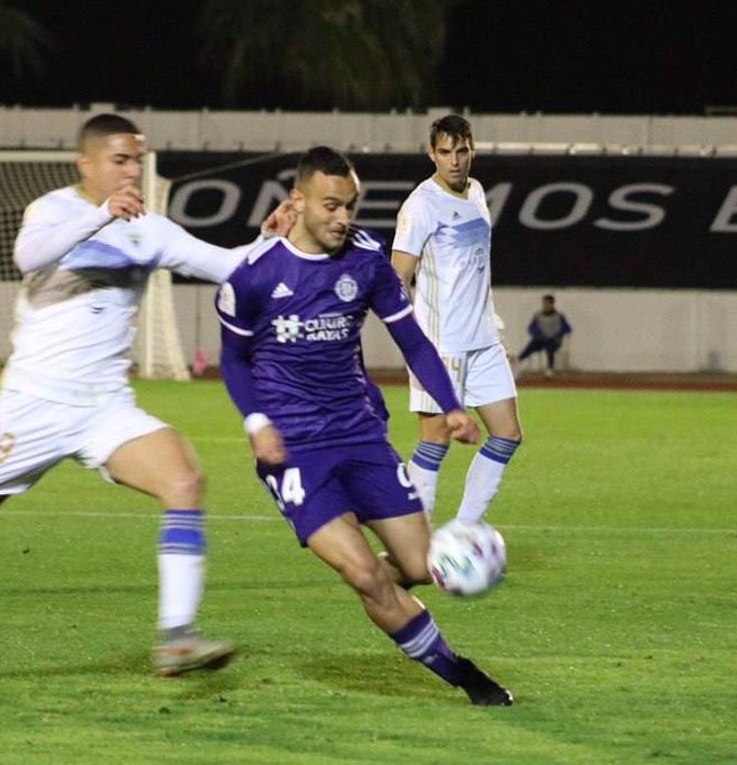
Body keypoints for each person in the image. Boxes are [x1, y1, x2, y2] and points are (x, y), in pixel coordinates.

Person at [0, 113, 293, 677]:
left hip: (104, 407)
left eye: (135, 159)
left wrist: (267, 240)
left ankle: (176, 637)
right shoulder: (53, 211)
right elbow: (29, 257)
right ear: (86, 163)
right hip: (32, 405)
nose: (130, 170)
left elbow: (230, 269)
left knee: (184, 479)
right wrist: (98, 218)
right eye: (119, 159)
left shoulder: (152, 228)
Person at [216, 146, 514, 706]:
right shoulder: (255, 277)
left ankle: (376, 588)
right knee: (367, 576)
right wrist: (256, 422)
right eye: (331, 206)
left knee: (417, 568)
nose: (343, 218)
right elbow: (233, 360)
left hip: (360, 436)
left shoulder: (366, 259)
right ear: (298, 201)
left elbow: (412, 340)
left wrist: (451, 407)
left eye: (351, 206)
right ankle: (462, 674)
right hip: (295, 451)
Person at [391, 114, 522, 525]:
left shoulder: (478, 192)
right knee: (434, 444)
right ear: (432, 153)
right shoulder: (421, 205)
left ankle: (462, 532)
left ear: (472, 150)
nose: (454, 161)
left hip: (483, 340)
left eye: (461, 151)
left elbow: (476, 268)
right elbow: (396, 278)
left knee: (507, 434)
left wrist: (493, 324)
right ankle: (417, 544)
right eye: (445, 152)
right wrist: (416, 345)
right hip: (441, 345)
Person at [518, 294, 572, 377]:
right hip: (541, 340)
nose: (544, 306)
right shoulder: (538, 315)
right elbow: (531, 328)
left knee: (549, 348)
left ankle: (549, 369)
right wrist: (538, 334)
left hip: (554, 341)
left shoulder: (559, 316)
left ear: (552, 304)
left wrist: (558, 334)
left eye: (546, 304)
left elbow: (567, 328)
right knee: (531, 345)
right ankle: (517, 362)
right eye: (543, 304)